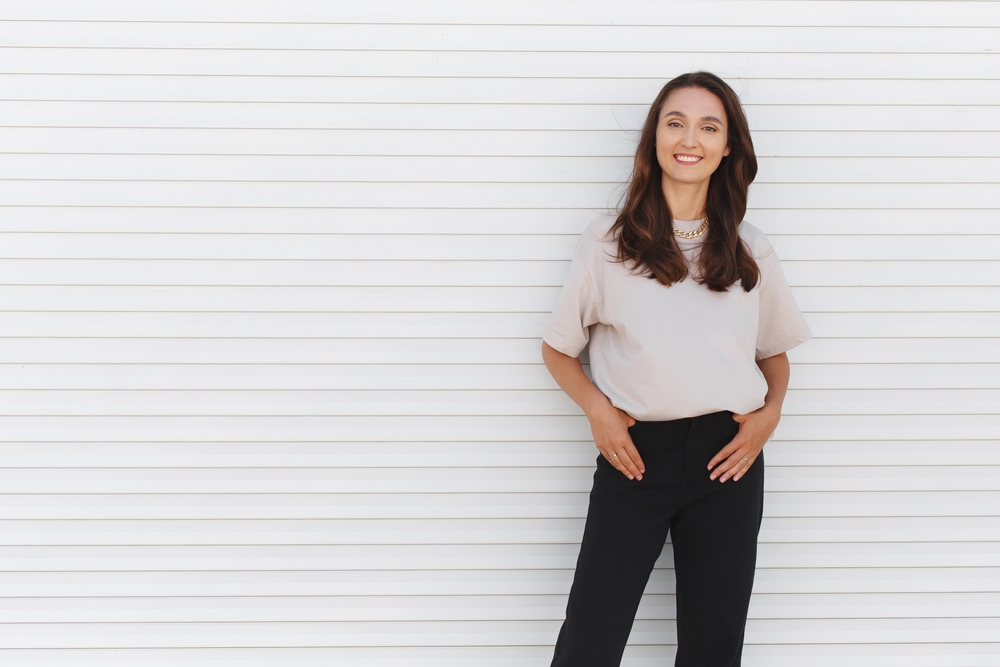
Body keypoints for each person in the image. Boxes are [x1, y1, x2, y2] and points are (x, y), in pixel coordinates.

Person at [541, 71, 812, 667]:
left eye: (709, 126)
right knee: (590, 639)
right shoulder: (608, 243)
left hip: (728, 460)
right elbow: (558, 348)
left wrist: (770, 416)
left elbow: (774, 352)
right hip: (634, 455)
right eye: (676, 122)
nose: (690, 138)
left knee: (714, 648)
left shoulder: (748, 247)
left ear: (728, 148)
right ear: (655, 138)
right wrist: (599, 412)